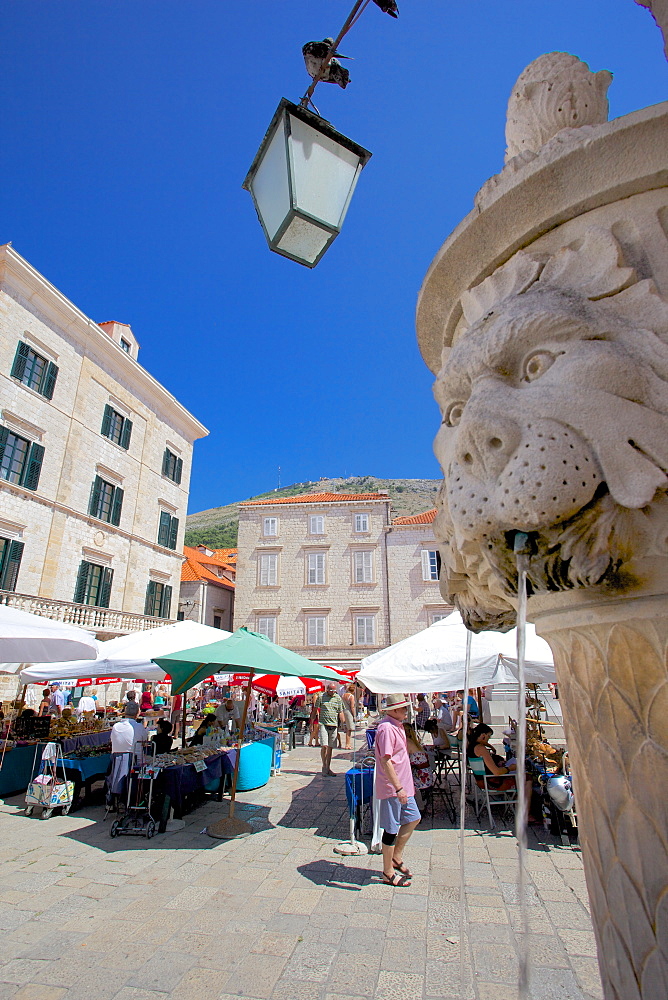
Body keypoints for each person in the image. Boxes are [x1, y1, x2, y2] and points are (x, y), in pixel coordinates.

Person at [374, 694, 421, 887]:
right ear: (393, 710)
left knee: (413, 818)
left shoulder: (398, 726)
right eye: (403, 709)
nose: (406, 711)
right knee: (391, 829)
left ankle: (396, 856)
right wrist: (398, 787)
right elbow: (386, 760)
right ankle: (387, 871)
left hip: (404, 785)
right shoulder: (386, 728)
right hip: (393, 787)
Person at [466, 722, 532, 822]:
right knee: (528, 778)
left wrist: (491, 748)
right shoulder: (481, 749)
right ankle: (524, 813)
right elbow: (496, 772)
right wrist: (511, 768)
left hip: (481, 781)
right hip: (491, 782)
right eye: (488, 737)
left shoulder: (471, 747)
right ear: (483, 736)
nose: (489, 739)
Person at [315, 682, 345, 776]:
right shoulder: (321, 697)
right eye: (331, 690)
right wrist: (312, 723)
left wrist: (343, 723)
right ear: (327, 689)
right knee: (324, 745)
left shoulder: (338, 698)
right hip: (323, 723)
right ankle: (324, 766)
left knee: (331, 747)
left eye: (334, 690)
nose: (332, 692)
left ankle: (328, 767)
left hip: (334, 724)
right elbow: (315, 709)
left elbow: (340, 711)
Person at [403, 722, 433, 810]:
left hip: (421, 776)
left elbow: (404, 759)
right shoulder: (414, 740)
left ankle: (415, 807)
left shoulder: (407, 742)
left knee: (400, 784)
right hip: (425, 774)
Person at [341, 685, 356, 751]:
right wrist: (354, 715)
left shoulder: (343, 695)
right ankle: (347, 744)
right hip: (349, 712)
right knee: (349, 729)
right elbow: (352, 707)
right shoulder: (351, 696)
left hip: (343, 712)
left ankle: (347, 743)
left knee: (346, 728)